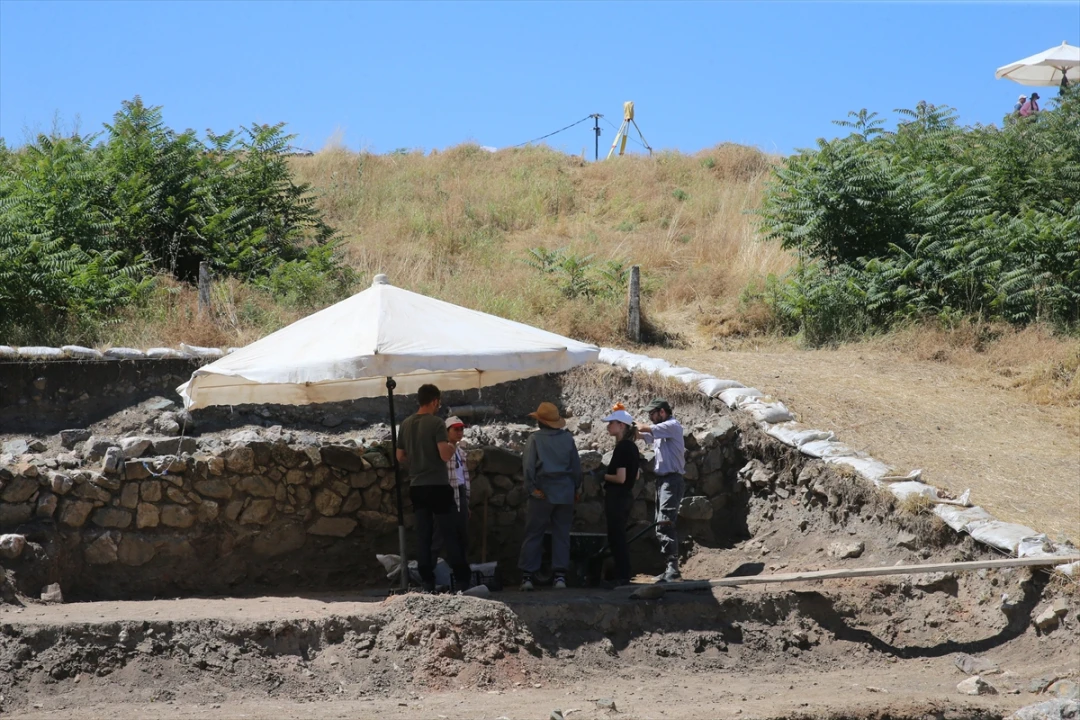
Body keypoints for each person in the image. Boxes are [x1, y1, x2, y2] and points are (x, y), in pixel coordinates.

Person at [396, 384, 470, 593]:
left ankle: (427, 581)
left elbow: (400, 456)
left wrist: (417, 462)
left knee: (424, 536)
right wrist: (452, 446)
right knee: (450, 534)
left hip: (417, 486)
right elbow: (444, 455)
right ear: (435, 401)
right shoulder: (436, 423)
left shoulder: (406, 424)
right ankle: (462, 579)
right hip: (437, 485)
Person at [518, 401, 582, 591]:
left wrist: (531, 489)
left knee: (534, 533)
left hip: (543, 492)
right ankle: (560, 577)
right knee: (562, 534)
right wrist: (576, 489)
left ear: (540, 421)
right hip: (565, 492)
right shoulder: (568, 439)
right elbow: (576, 468)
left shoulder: (534, 439)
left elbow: (528, 468)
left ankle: (527, 577)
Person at [636, 398, 686, 583]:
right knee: (661, 523)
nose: (650, 417)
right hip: (664, 481)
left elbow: (644, 428)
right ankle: (670, 568)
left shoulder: (671, 425)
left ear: (662, 412)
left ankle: (673, 570)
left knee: (665, 523)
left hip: (671, 481)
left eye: (652, 413)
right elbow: (642, 435)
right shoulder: (661, 430)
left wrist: (632, 423)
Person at [598, 404, 640, 588]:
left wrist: (603, 476)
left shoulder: (622, 448)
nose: (608, 426)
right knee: (620, 536)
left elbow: (621, 478)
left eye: (611, 423)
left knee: (616, 537)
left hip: (617, 497)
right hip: (626, 496)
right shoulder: (633, 447)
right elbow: (635, 475)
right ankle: (623, 574)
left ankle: (622, 576)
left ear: (622, 425)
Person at [431, 416, 471, 571]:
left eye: (461, 429)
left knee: (462, 536)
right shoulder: (443, 451)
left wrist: (466, 501)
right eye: (456, 429)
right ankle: (430, 572)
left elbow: (464, 477)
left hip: (460, 494)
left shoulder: (459, 451)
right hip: (446, 494)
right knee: (440, 536)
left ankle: (459, 573)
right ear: (446, 431)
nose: (459, 432)